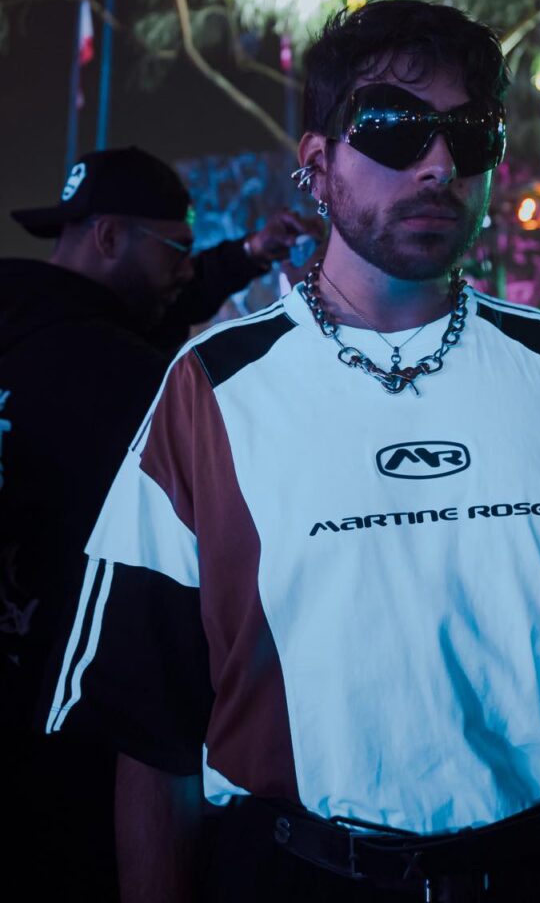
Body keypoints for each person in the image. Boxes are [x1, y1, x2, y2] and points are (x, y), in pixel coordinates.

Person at [46, 3, 540, 903]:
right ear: (318, 163)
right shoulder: (212, 390)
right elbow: (150, 731)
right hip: (303, 877)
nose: (439, 163)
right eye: (394, 128)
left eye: (470, 135)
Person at [0, 145, 322, 900]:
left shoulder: (29, 318)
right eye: (177, 248)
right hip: (73, 727)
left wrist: (245, 255)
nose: (186, 269)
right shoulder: (121, 375)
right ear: (110, 237)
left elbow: (143, 311)